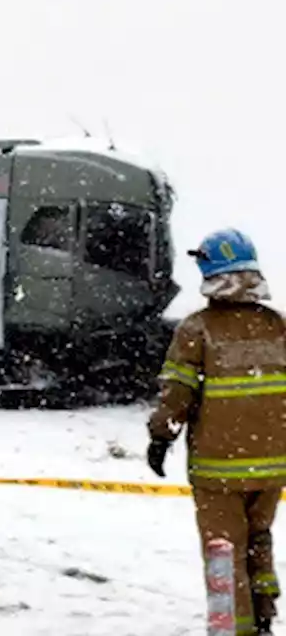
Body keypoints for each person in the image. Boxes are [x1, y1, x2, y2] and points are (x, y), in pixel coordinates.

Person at [148, 229, 286, 636]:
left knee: (224, 552)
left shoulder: (197, 329)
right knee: (258, 539)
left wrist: (161, 436)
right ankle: (264, 615)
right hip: (274, 466)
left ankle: (238, 629)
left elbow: (178, 394)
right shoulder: (279, 326)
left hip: (219, 468)